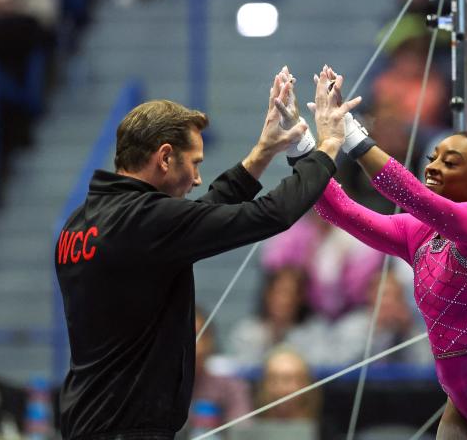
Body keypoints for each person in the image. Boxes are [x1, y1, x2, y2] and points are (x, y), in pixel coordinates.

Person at [55, 66, 358, 439]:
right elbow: (270, 214)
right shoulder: (146, 221)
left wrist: (263, 152)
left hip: (87, 423)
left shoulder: (81, 221)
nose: (197, 179)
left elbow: (200, 214)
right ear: (165, 158)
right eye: (195, 163)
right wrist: (327, 147)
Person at [280, 66, 467, 438]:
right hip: (461, 402)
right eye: (434, 157)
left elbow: (412, 195)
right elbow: (340, 211)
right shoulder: (419, 233)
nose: (435, 167)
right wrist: (299, 145)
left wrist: (352, 135)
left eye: (451, 162)